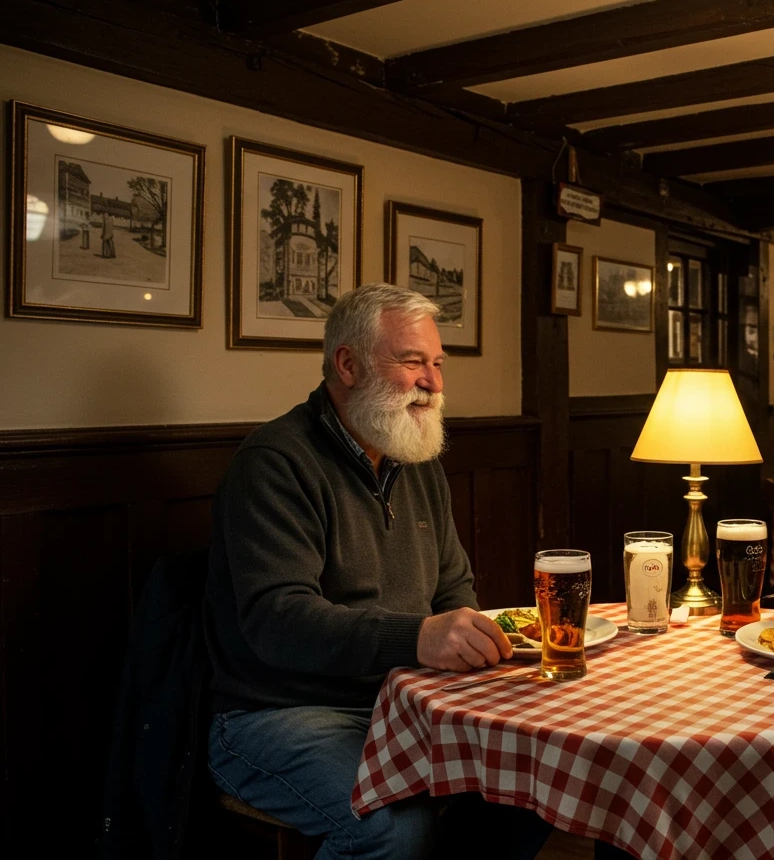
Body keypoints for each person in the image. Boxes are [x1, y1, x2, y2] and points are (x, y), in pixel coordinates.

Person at [204, 283, 549, 860]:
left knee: (534, 782)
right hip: (278, 713)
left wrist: (469, 638)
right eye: (412, 361)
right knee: (392, 830)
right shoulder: (275, 463)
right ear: (348, 364)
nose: (433, 382)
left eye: (437, 364)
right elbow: (278, 621)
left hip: (405, 698)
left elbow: (453, 590)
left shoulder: (413, 459)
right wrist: (417, 638)